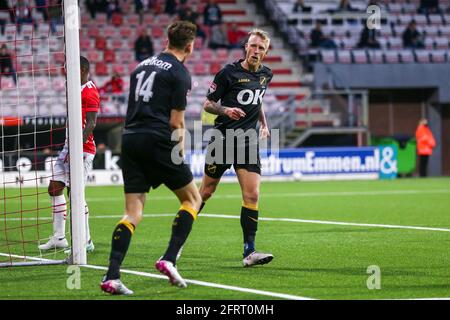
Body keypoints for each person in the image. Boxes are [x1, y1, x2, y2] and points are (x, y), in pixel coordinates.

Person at [100, 21, 202, 295]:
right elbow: (176, 122)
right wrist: (179, 150)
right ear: (190, 46)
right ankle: (168, 258)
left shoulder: (140, 66)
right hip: (157, 138)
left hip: (130, 138)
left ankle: (112, 275)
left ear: (167, 40)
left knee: (132, 212)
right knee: (193, 199)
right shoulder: (180, 73)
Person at [198, 28, 274, 267]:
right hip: (222, 138)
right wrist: (225, 110)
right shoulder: (228, 73)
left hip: (248, 142)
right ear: (246, 47)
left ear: (265, 52)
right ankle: (176, 243)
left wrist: (264, 123)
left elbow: (258, 99)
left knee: (252, 194)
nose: (256, 51)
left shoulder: (265, 75)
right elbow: (208, 104)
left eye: (261, 48)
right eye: (253, 46)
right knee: (206, 192)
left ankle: (249, 252)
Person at [38, 56, 100, 252]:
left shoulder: (90, 92)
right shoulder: (75, 88)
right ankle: (59, 238)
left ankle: (86, 241)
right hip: (68, 147)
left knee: (75, 194)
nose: (65, 72)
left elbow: (91, 123)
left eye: (69, 69)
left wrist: (76, 147)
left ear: (81, 70)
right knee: (54, 188)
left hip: (82, 150)